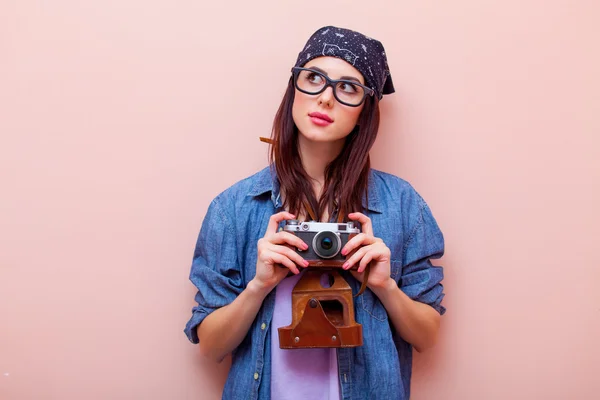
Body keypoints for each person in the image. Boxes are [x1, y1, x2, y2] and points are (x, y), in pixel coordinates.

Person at [184, 26, 446, 400]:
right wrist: (259, 286)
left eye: (348, 88)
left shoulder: (402, 205)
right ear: (293, 89)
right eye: (314, 79)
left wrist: (384, 286)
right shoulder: (235, 208)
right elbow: (210, 347)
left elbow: (427, 335)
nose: (325, 98)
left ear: (366, 110)